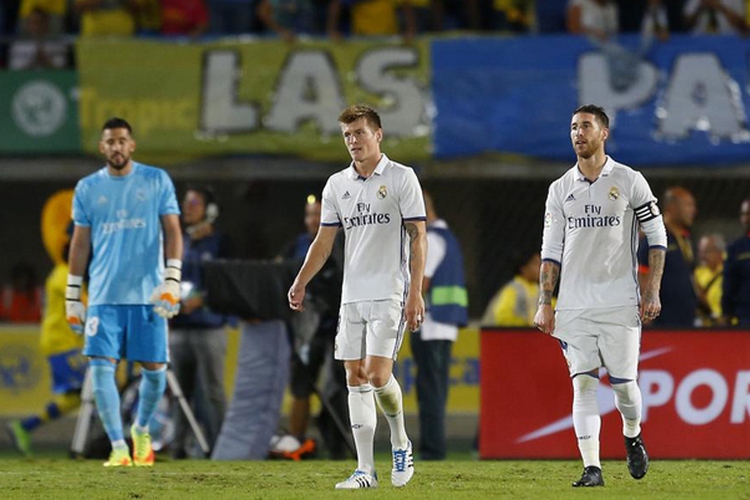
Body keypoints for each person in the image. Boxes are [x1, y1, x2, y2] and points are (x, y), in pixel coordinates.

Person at [288, 104, 425, 489]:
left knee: (378, 376)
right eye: (347, 135)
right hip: (352, 296)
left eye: (360, 133)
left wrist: (415, 292)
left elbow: (418, 237)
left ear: (377, 135)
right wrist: (301, 281)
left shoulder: (401, 177)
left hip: (390, 292)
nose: (353, 141)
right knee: (354, 376)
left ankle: (400, 441)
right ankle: (365, 469)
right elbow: (324, 243)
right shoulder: (337, 184)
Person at [534, 104, 666, 488]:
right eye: (574, 127)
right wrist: (545, 302)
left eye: (586, 126)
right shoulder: (560, 189)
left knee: (624, 386)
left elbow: (657, 236)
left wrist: (652, 290)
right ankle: (592, 468)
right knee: (584, 383)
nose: (578, 133)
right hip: (574, 305)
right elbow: (550, 251)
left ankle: (632, 434)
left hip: (619, 302)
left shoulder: (628, 179)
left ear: (603, 133)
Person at [65, 117, 183, 467]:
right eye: (110, 141)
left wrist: (172, 280)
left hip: (149, 295)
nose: (116, 147)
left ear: (131, 145)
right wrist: (72, 296)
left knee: (155, 372)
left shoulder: (156, 179)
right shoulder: (87, 188)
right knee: (101, 369)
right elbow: (80, 243)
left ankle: (141, 430)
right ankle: (118, 446)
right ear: (102, 147)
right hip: (103, 297)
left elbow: (173, 231)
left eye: (121, 140)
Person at [275, 194, 350, 460]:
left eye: (317, 214)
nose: (312, 220)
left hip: (337, 325)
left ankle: (338, 443)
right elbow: (278, 273)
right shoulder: (296, 246)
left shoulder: (342, 242)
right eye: (309, 215)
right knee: (301, 385)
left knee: (339, 385)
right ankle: (296, 442)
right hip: (306, 328)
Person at [6, 230, 87, 456]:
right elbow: (86, 306)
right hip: (60, 343)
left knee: (79, 395)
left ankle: (25, 426)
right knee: (95, 387)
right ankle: (98, 442)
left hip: (66, 342)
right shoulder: (64, 275)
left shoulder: (67, 274)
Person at [169, 186, 229, 459]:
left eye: (194, 203)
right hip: (179, 328)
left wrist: (202, 299)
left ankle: (221, 449)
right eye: (186, 203)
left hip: (209, 327)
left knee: (213, 392)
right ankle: (178, 447)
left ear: (210, 210)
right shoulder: (178, 241)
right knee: (179, 395)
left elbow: (229, 283)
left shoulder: (220, 243)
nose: (187, 208)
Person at [409, 190, 467, 461]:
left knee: (430, 390)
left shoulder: (431, 239)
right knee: (435, 389)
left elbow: (422, 282)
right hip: (444, 324)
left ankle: (432, 450)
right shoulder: (448, 237)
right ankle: (433, 448)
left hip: (431, 324)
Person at [638, 186, 697, 328]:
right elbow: (642, 275)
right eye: (688, 205)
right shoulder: (655, 238)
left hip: (687, 319)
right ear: (672, 207)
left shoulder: (685, 239)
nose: (693, 211)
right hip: (664, 322)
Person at [482, 249, 541, 327]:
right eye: (535, 264)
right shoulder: (513, 290)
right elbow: (501, 316)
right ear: (523, 267)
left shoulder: (537, 289)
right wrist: (524, 324)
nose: (540, 268)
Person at [722, 199, 750, 326]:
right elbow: (729, 284)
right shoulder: (735, 248)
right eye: (744, 214)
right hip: (745, 317)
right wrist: (726, 313)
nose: (746, 218)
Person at [695, 233, 725, 326]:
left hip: (730, 326)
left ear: (720, 252)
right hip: (706, 327)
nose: (702, 256)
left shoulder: (730, 271)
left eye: (707, 251)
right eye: (700, 252)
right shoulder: (696, 274)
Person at [683, 0, 749, 35]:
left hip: (728, 41)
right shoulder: (694, 1)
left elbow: (742, 25)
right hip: (699, 42)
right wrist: (700, 7)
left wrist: (720, 7)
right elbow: (686, 25)